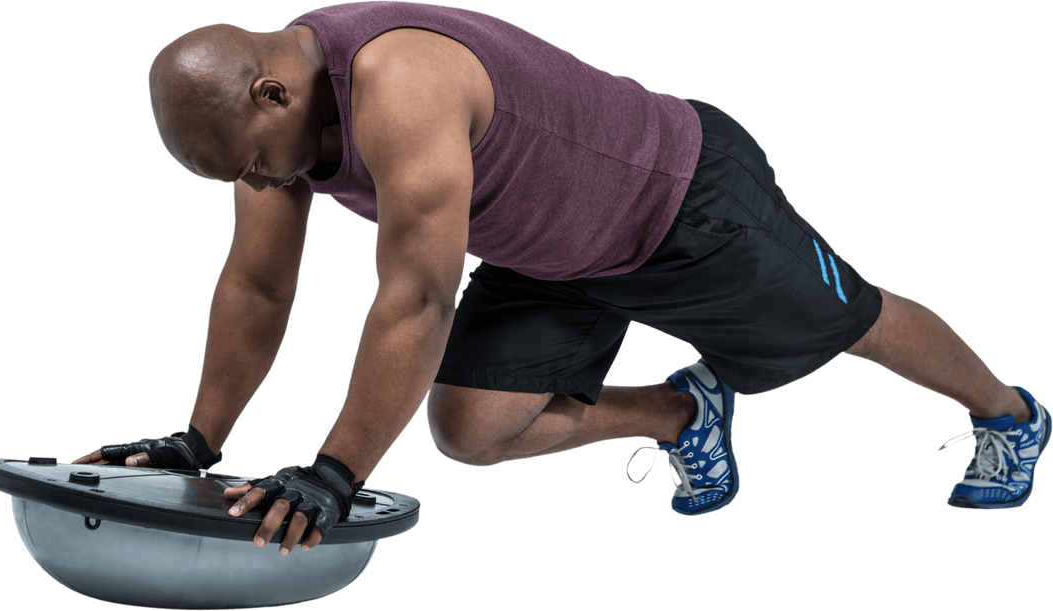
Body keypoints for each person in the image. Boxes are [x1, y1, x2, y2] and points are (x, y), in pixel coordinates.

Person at [74, 1, 1048, 557]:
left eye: (253, 163)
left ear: (272, 91)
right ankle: (680, 415)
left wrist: (335, 473)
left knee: (857, 323)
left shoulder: (401, 84)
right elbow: (257, 288)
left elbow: (416, 294)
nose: (257, 185)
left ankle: (1010, 412)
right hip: (555, 254)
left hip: (682, 203)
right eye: (240, 176)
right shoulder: (269, 128)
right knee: (469, 427)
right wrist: (194, 442)